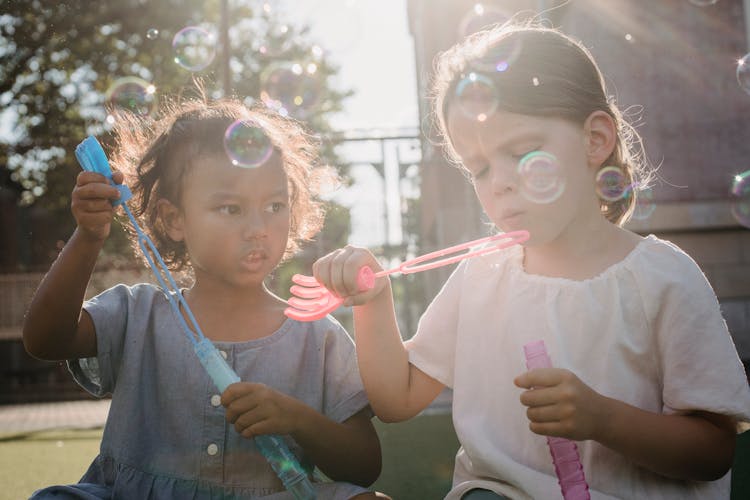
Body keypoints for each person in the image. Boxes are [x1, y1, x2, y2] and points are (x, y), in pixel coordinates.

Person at [311, 21, 750, 499]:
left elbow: (712, 452)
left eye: (520, 151)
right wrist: (373, 302)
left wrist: (603, 418)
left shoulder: (663, 278)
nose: (497, 182)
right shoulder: (481, 277)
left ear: (595, 139)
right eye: (478, 168)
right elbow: (397, 398)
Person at [23, 94, 387, 499]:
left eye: (274, 205)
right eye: (231, 209)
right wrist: (88, 237)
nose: (258, 227)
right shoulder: (139, 313)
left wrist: (297, 418)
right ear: (173, 220)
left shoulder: (317, 334)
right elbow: (45, 340)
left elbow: (365, 464)